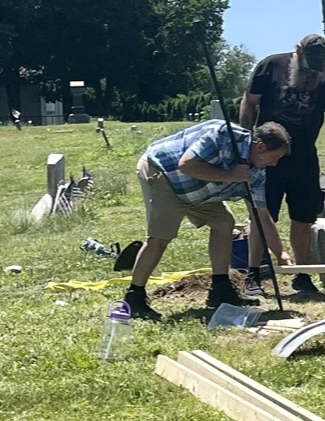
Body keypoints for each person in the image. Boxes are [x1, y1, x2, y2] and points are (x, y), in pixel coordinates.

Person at [122, 119, 291, 320]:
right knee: (160, 238)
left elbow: (260, 215)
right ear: (260, 146)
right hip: (163, 173)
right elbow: (186, 165)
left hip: (196, 189)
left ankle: (220, 288)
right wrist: (231, 175)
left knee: (223, 223)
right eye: (274, 157)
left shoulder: (257, 172)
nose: (274, 164)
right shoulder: (221, 134)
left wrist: (280, 253)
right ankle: (134, 297)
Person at [238, 33, 325, 299]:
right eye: (308, 65)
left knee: (303, 218)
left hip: (305, 158)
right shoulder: (271, 66)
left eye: (317, 66)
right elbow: (249, 101)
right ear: (297, 51)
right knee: (261, 216)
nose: (311, 71)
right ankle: (253, 274)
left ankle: (302, 274)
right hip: (267, 156)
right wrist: (245, 142)